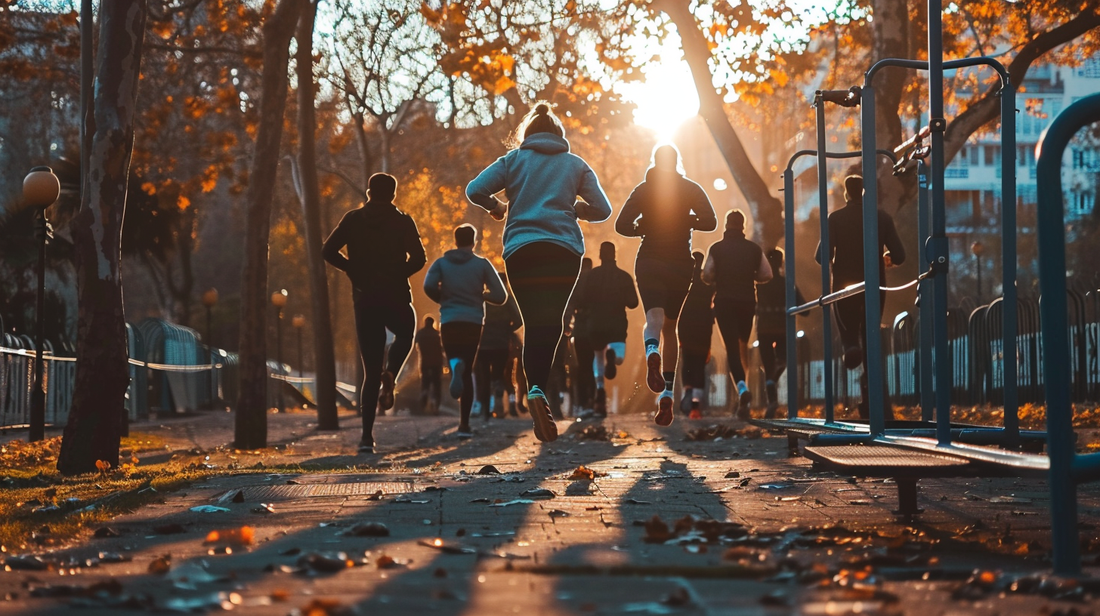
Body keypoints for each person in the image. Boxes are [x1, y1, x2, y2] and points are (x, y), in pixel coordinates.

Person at [466, 101, 612, 443]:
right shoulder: (575, 165)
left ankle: (534, 392)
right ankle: (536, 389)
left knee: (533, 322)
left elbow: (475, 190)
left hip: (521, 251)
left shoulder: (513, 160)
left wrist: (498, 206)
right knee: (553, 323)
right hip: (563, 252)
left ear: (527, 135)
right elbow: (603, 209)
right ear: (559, 135)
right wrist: (577, 209)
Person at [322, 172, 426, 454]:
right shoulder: (403, 221)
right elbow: (419, 258)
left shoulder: (353, 219)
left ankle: (367, 438)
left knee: (369, 371)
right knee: (406, 332)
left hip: (365, 297)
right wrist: (397, 273)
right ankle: (391, 371)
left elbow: (327, 250)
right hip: (395, 295)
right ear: (393, 195)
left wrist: (352, 269)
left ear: (368, 193)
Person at [616, 144, 716, 426]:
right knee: (671, 327)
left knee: (653, 320)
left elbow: (621, 225)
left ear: (655, 162)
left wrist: (640, 228)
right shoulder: (691, 189)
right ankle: (667, 394)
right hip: (680, 265)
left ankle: (652, 351)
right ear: (676, 162)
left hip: (649, 260)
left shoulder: (643, 190)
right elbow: (710, 221)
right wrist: (688, 220)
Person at [815, 174, 906, 418]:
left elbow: (821, 256)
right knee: (871, 336)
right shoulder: (882, 218)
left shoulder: (835, 218)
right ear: (866, 192)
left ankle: (849, 346)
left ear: (846, 193)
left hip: (844, 286)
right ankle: (873, 398)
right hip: (874, 285)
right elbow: (900, 255)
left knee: (848, 330)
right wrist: (885, 257)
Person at [424, 224, 508, 439]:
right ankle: (464, 425)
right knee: (469, 369)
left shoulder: (441, 263)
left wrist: (444, 298)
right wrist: (481, 295)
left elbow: (428, 286)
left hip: (450, 319)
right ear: (474, 241)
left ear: (455, 240)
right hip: (473, 320)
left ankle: (454, 365)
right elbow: (501, 296)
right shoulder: (482, 265)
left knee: (454, 358)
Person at [703, 209, 772, 420]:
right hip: (747, 303)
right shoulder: (753, 249)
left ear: (726, 225)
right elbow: (766, 274)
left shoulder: (716, 248)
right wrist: (750, 277)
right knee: (743, 345)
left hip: (724, 302)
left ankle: (742, 389)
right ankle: (743, 399)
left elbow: (707, 274)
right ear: (742, 225)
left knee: (731, 347)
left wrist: (717, 279)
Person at [576, 241, 639, 416]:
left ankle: (600, 390)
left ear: (600, 255)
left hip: (595, 323)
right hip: (617, 323)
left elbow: (581, 299)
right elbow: (633, 303)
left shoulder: (591, 276)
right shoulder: (624, 277)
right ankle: (612, 356)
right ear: (614, 255)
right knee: (619, 357)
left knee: (597, 355)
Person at [755, 248, 804, 417]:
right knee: (782, 360)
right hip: (783, 328)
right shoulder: (787, 283)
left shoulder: (758, 285)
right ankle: (772, 384)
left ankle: (772, 400)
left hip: (763, 328)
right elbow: (804, 309)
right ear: (781, 263)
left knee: (768, 364)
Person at [476, 272, 522, 420]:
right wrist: (507, 330)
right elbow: (519, 320)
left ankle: (485, 408)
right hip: (501, 343)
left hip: (482, 343)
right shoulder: (507, 299)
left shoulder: (483, 298)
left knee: (484, 376)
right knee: (499, 376)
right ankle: (499, 406)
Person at [677, 251, 714, 420]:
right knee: (700, 365)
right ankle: (696, 406)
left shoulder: (683, 281)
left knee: (687, 361)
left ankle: (688, 389)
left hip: (685, 326)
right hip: (703, 327)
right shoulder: (708, 282)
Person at [567, 258, 596, 416]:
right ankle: (595, 399)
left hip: (580, 329)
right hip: (597, 327)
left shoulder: (576, 282)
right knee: (595, 364)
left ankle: (584, 403)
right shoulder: (598, 281)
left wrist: (565, 325)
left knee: (583, 367)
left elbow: (570, 305)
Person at [414, 316, 444, 415]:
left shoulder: (420, 334)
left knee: (425, 384)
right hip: (437, 363)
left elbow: (416, 346)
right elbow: (442, 349)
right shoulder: (437, 334)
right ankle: (435, 406)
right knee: (436, 386)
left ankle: (422, 406)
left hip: (424, 362)